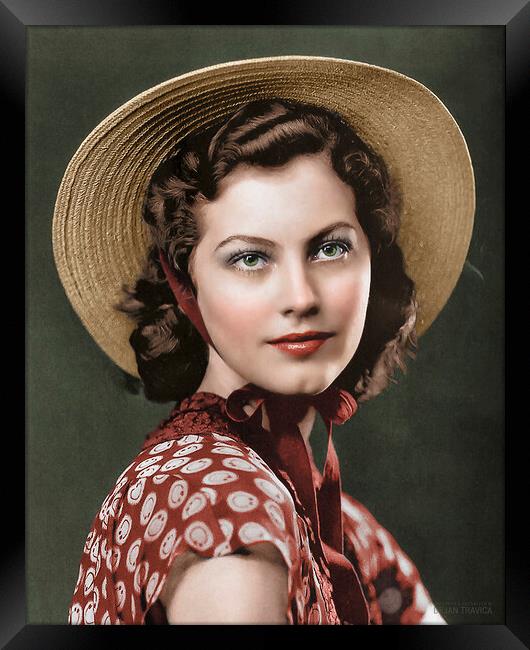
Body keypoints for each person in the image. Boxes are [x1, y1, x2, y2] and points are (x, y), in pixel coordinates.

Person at [52, 56, 475, 625]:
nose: (300, 296)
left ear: (375, 258)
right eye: (250, 258)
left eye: (330, 248)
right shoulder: (223, 513)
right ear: (184, 284)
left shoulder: (343, 531)